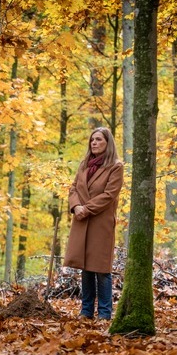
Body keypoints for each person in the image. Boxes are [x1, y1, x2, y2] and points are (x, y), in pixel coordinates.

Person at [64, 127, 123, 321]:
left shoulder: (115, 166)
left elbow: (109, 195)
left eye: (98, 140)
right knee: (85, 267)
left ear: (108, 143)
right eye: (92, 140)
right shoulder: (84, 164)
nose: (94, 143)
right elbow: (73, 188)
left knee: (101, 268)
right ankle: (86, 311)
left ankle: (105, 313)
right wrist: (75, 206)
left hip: (100, 222)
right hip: (81, 221)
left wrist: (85, 209)